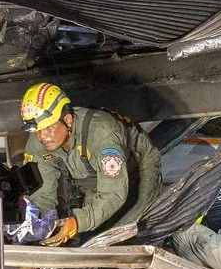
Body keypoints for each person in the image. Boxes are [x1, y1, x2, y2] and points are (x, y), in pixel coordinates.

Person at [20, 82, 163, 244]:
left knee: (125, 235)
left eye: (48, 128)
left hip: (137, 170)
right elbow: (43, 193)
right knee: (89, 239)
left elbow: (114, 193)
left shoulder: (102, 133)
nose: (42, 136)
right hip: (93, 178)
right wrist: (41, 225)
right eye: (37, 130)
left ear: (67, 120)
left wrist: (78, 222)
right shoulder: (38, 141)